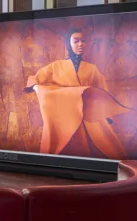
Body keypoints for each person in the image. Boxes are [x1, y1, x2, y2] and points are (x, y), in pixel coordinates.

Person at [24, 28, 130, 159]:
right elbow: (35, 78)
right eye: (76, 41)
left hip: (88, 117)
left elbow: (102, 91)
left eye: (83, 41)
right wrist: (36, 88)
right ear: (69, 44)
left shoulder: (92, 69)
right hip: (65, 117)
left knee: (103, 149)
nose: (80, 44)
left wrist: (106, 115)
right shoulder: (56, 66)